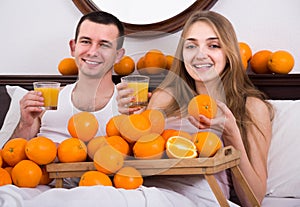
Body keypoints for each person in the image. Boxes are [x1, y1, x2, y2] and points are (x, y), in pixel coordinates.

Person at [117, 10, 273, 206]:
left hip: (198, 200)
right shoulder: (164, 98)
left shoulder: (250, 106)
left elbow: (254, 200)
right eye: (191, 46)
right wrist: (131, 125)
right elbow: (137, 158)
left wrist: (231, 134)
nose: (200, 54)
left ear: (228, 53)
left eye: (213, 45)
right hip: (142, 193)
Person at [10, 11, 125, 143]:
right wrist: (24, 124)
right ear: (73, 47)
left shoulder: (130, 105)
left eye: (104, 45)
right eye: (86, 41)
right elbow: (11, 156)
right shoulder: (45, 100)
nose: (93, 52)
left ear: (118, 55)